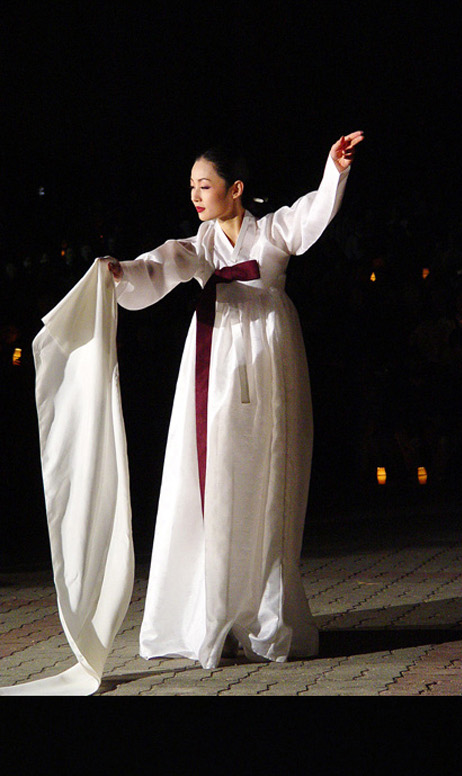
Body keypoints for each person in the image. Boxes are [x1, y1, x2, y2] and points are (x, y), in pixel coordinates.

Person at [33, 139, 360, 688]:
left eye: (204, 185)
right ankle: (215, 613)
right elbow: (160, 264)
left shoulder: (272, 230)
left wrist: (334, 170)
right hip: (215, 356)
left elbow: (312, 214)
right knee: (215, 474)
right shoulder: (200, 244)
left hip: (268, 351)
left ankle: (264, 615)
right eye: (191, 186)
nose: (195, 195)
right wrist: (120, 271)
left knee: (269, 473)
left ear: (236, 189)